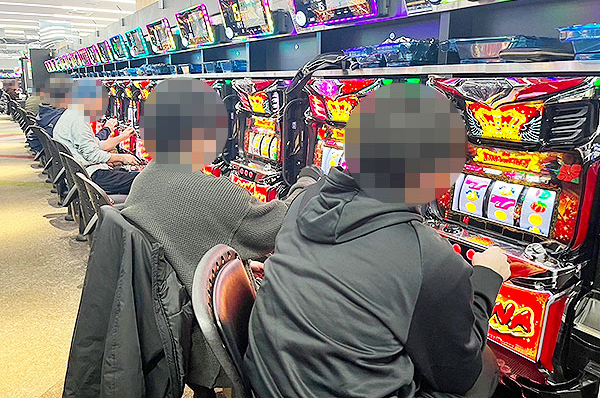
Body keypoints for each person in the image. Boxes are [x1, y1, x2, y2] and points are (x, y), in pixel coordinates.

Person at [244, 82, 511, 398]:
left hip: (267, 384)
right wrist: (487, 278)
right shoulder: (429, 259)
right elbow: (459, 375)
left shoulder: (306, 201)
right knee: (485, 372)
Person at [120, 78, 320, 397]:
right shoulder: (212, 194)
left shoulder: (146, 179)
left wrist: (241, 265)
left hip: (171, 328)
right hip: (211, 343)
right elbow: (281, 225)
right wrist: (311, 182)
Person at [52, 78, 141, 194]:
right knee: (144, 180)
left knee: (133, 175)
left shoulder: (72, 115)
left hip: (85, 174)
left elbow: (97, 145)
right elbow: (92, 155)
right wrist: (122, 157)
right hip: (92, 176)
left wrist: (122, 137)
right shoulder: (78, 120)